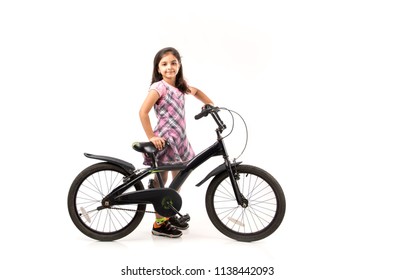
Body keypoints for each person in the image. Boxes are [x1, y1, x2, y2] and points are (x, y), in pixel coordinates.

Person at [139, 47, 214, 238]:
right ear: (158, 69)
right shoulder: (159, 87)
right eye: (164, 64)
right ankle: (159, 224)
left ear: (179, 65)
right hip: (165, 139)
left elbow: (196, 91)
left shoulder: (180, 86)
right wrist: (151, 137)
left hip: (180, 139)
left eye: (173, 63)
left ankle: (168, 211)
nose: (169, 67)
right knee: (163, 182)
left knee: (178, 179)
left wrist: (210, 104)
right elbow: (143, 112)